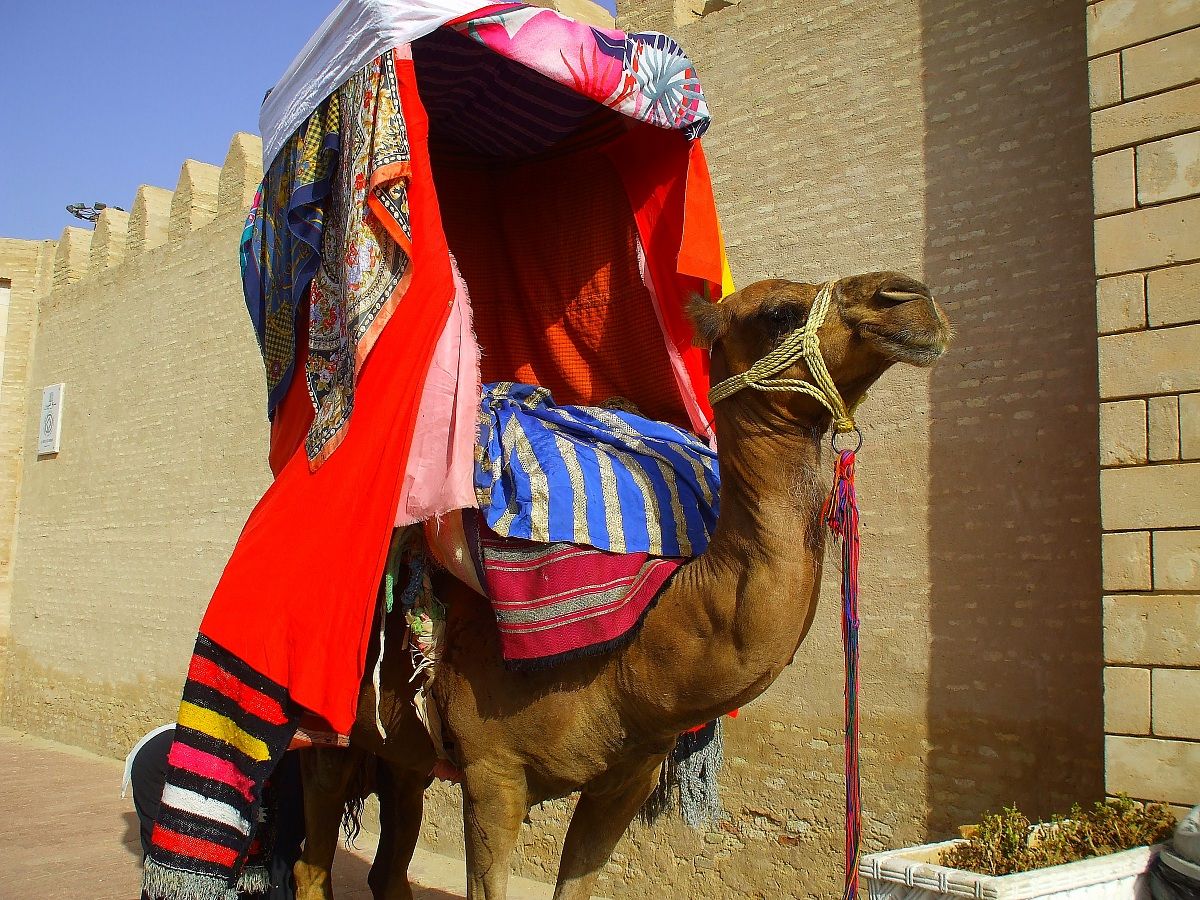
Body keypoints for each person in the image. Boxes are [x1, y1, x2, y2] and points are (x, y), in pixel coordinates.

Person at [126, 726, 305, 900]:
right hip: (170, 763)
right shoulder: (163, 754)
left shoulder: (294, 768)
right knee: (175, 867)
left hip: (270, 765)